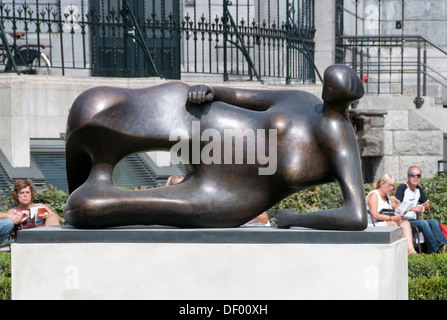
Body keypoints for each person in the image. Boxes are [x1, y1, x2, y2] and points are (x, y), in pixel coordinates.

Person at [394, 166, 447, 253]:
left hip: (414, 219)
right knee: (423, 223)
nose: (415, 178)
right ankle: (436, 249)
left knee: (433, 221)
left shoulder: (418, 189)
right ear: (408, 176)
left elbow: (427, 203)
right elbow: (396, 207)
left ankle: (444, 245)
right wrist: (413, 208)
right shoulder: (402, 189)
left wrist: (423, 207)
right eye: (413, 175)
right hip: (403, 219)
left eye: (418, 176)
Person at [366, 173, 418, 254]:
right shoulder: (374, 195)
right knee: (393, 224)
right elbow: (374, 215)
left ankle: (411, 250)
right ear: (381, 183)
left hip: (387, 221)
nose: (391, 188)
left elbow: (396, 212)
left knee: (405, 223)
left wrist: (397, 203)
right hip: (374, 223)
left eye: (393, 186)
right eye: (389, 185)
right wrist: (393, 219)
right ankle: (404, 252)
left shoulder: (387, 196)